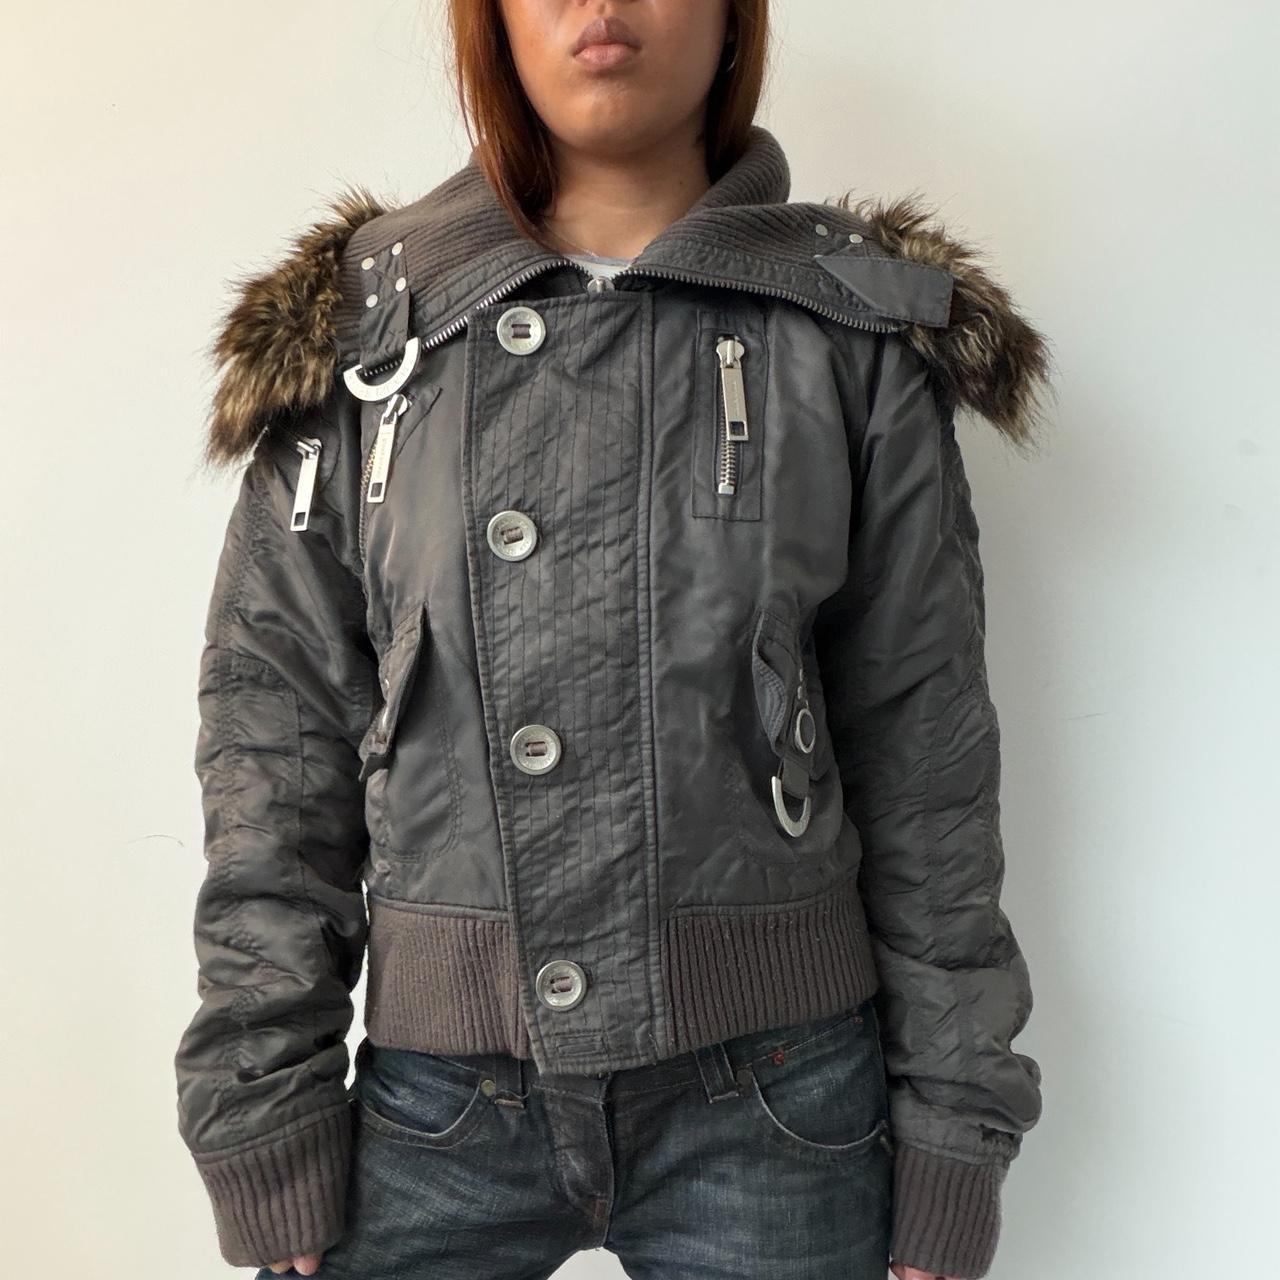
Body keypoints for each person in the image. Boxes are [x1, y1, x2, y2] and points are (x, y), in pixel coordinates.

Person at [174, 1, 1051, 1277]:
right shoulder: (371, 328)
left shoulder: (846, 325)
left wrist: (953, 1130)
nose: (599, 4)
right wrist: (264, 1104)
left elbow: (925, 751)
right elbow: (276, 737)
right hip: (430, 1105)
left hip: (778, 1096)